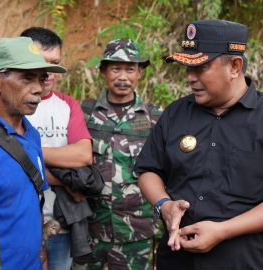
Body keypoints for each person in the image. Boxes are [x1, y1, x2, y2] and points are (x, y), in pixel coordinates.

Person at [134, 19, 263, 270]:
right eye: (186, 68)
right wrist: (164, 205)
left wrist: (223, 231)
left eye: (201, 67)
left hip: (244, 261)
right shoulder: (176, 113)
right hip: (176, 259)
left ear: (234, 66)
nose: (190, 78)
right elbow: (149, 169)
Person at [79, 39, 162, 270]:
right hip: (92, 228)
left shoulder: (154, 118)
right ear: (104, 71)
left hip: (136, 233)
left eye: (130, 69)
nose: (123, 77)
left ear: (140, 73)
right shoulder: (84, 114)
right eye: (115, 69)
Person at [20, 27, 93, 270]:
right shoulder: (12, 105)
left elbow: (83, 155)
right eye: (40, 62)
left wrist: (29, 153)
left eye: (55, 63)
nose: (48, 72)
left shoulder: (67, 105)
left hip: (60, 219)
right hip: (19, 220)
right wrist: (62, 176)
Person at [0, 36, 65, 269]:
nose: (39, 89)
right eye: (26, 78)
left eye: (41, 78)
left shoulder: (31, 135)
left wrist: (40, 252)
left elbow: (34, 202)